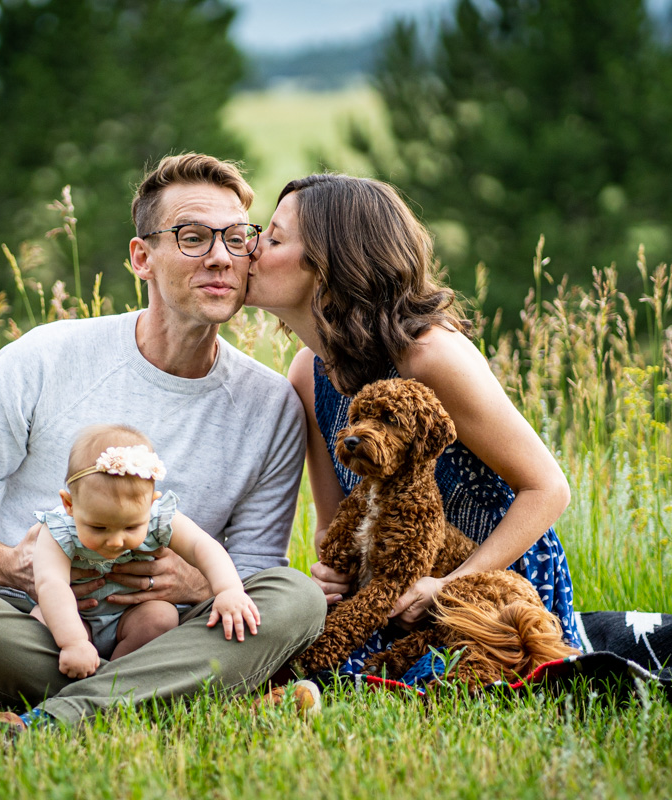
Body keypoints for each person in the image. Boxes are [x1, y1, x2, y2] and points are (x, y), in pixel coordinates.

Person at [0, 153, 325, 738]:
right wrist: (11, 565)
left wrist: (191, 582)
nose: (221, 256)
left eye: (238, 238)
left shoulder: (271, 406)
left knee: (296, 597)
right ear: (142, 257)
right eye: (192, 238)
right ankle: (189, 696)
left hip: (160, 624)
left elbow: (252, 571)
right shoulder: (45, 357)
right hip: (32, 620)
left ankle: (51, 720)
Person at [245, 173, 579, 668]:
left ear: (332, 265)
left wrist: (448, 584)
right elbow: (335, 522)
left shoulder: (428, 357)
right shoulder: (305, 373)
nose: (249, 250)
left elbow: (547, 489)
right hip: (390, 591)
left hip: (489, 587)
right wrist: (332, 574)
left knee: (427, 677)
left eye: (272, 238)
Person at [30, 424, 261, 679]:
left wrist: (228, 590)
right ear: (70, 504)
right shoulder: (58, 529)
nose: (116, 541)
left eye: (131, 526)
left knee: (161, 617)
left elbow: (202, 546)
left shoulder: (159, 518)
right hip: (73, 617)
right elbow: (51, 584)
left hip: (131, 619)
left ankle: (116, 676)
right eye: (98, 527)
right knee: (39, 619)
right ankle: (79, 666)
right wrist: (72, 641)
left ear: (152, 504)